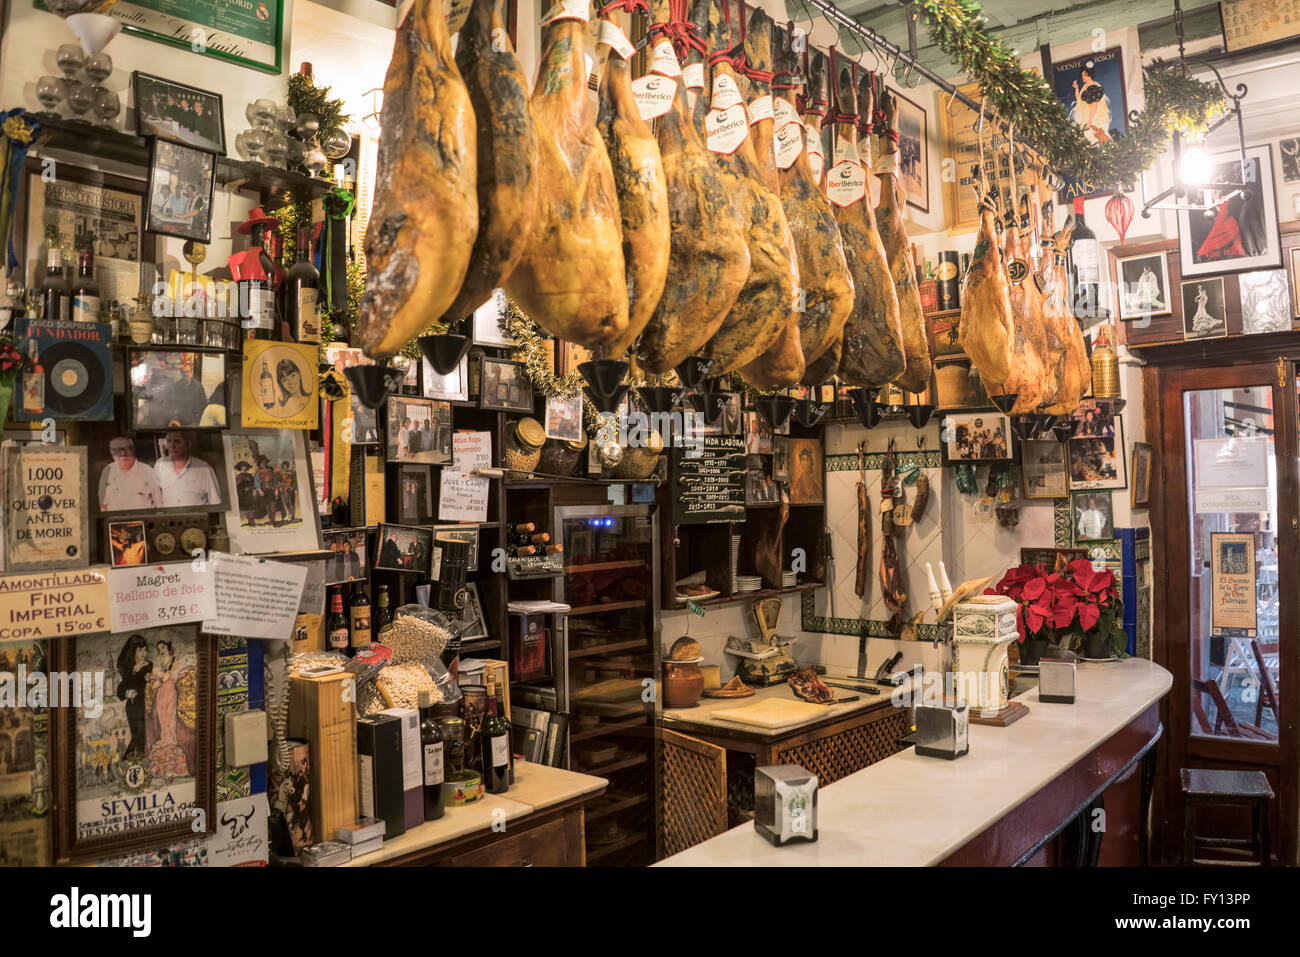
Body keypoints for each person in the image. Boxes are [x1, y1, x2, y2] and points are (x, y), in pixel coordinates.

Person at [145, 640, 194, 783]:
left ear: (168, 648)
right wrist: (152, 679)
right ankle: (161, 767)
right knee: (162, 721)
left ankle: (172, 769)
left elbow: (170, 677)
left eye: (162, 647)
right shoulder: (158, 663)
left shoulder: (174, 661)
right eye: (158, 648)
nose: (160, 650)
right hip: (161, 693)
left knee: (170, 723)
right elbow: (157, 682)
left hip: (171, 691)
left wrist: (159, 678)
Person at [154, 431, 221, 508]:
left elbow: (215, 502)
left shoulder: (204, 468)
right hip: (168, 519)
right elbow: (153, 497)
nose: (172, 446)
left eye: (177, 441)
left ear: (188, 444)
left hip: (196, 518)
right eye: (169, 441)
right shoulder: (160, 465)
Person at [99, 437, 163, 511]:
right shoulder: (107, 470)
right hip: (116, 521)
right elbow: (103, 506)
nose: (123, 454)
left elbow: (158, 505)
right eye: (117, 450)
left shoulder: (148, 471)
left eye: (127, 449)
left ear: (133, 449)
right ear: (111, 452)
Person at [115, 636, 152, 758]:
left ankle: (129, 762)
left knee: (141, 735)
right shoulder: (129, 668)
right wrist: (127, 693)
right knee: (136, 734)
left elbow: (148, 687)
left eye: (145, 650)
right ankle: (132, 764)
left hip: (143, 704)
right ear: (133, 651)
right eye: (140, 650)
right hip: (131, 706)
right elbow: (121, 688)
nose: (143, 653)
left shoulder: (149, 666)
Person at [157, 356, 209, 426]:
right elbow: (172, 404)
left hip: (193, 421)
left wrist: (198, 419)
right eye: (184, 372)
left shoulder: (198, 386)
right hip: (179, 421)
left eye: (188, 372)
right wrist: (174, 418)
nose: (186, 374)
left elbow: (202, 404)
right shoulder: (176, 386)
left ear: (191, 373)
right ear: (181, 374)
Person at [1070, 64, 1111, 144]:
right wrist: (1077, 88)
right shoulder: (1085, 86)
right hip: (1086, 119)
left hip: (1095, 120)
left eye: (1084, 75)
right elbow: (1079, 99)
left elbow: (1094, 107)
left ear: (1088, 74)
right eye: (1082, 75)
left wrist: (1089, 122)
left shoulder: (1094, 86)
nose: (1082, 77)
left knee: (1095, 140)